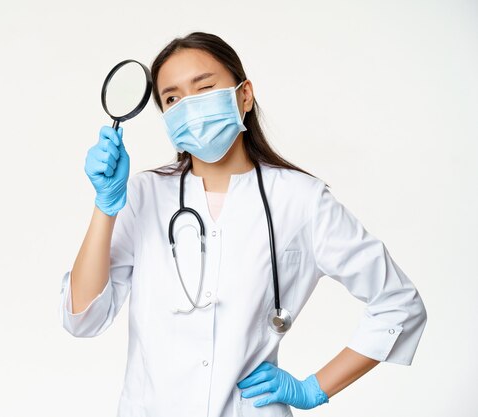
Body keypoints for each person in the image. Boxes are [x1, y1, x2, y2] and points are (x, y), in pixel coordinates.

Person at [60, 31, 427, 417]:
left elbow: (398, 303)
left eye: (204, 88)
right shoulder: (143, 195)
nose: (190, 107)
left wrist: (313, 388)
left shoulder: (301, 200)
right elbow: (83, 318)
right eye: (173, 99)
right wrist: (106, 206)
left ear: (244, 95)